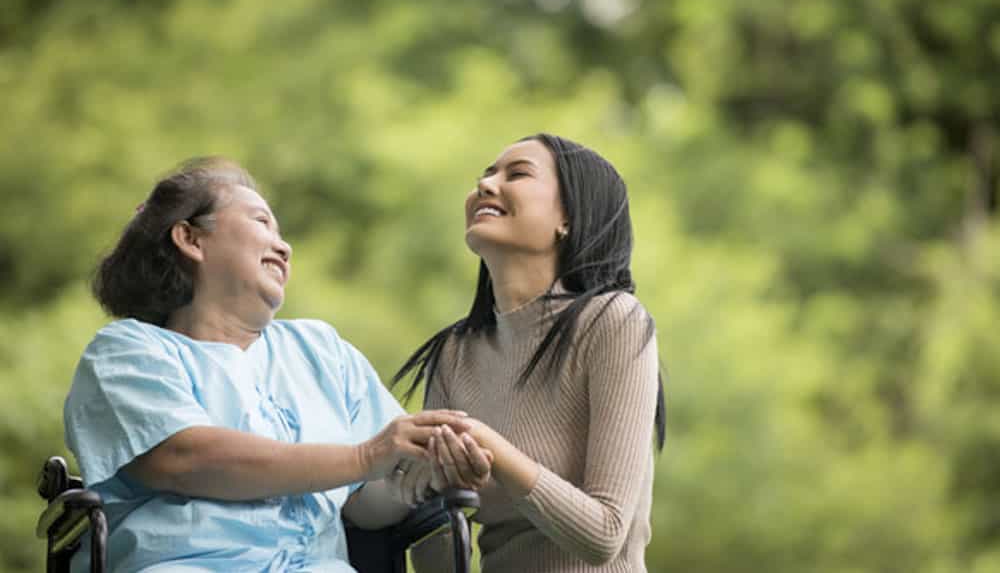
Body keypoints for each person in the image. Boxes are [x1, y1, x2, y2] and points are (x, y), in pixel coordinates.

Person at [63, 157, 471, 572]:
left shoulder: (322, 351)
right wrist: (367, 455)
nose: (284, 246)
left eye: (281, 233)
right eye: (261, 222)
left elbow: (365, 507)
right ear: (190, 238)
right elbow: (185, 459)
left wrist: (419, 474)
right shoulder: (129, 351)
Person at [393, 133, 666, 572]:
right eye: (484, 175)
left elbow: (604, 535)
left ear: (570, 219)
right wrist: (430, 482)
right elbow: (433, 526)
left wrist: (492, 450)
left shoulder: (613, 322)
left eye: (517, 174)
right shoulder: (455, 353)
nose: (485, 186)